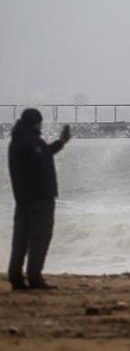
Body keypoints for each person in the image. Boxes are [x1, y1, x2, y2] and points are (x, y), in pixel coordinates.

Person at [7, 109, 71, 290]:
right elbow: (42, 157)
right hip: (40, 200)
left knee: (20, 239)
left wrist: (61, 142)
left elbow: (44, 153)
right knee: (39, 239)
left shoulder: (17, 141)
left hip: (22, 200)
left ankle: (15, 277)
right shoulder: (31, 142)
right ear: (36, 123)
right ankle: (34, 277)